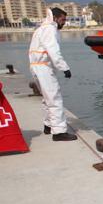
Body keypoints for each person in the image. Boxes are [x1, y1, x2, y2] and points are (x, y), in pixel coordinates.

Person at [28, 7, 76, 141]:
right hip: (43, 68)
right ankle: (59, 132)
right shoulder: (50, 29)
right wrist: (64, 67)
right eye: (62, 19)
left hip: (36, 67)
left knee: (47, 98)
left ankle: (48, 125)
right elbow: (53, 50)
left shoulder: (41, 29)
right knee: (55, 98)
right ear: (55, 18)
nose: (64, 22)